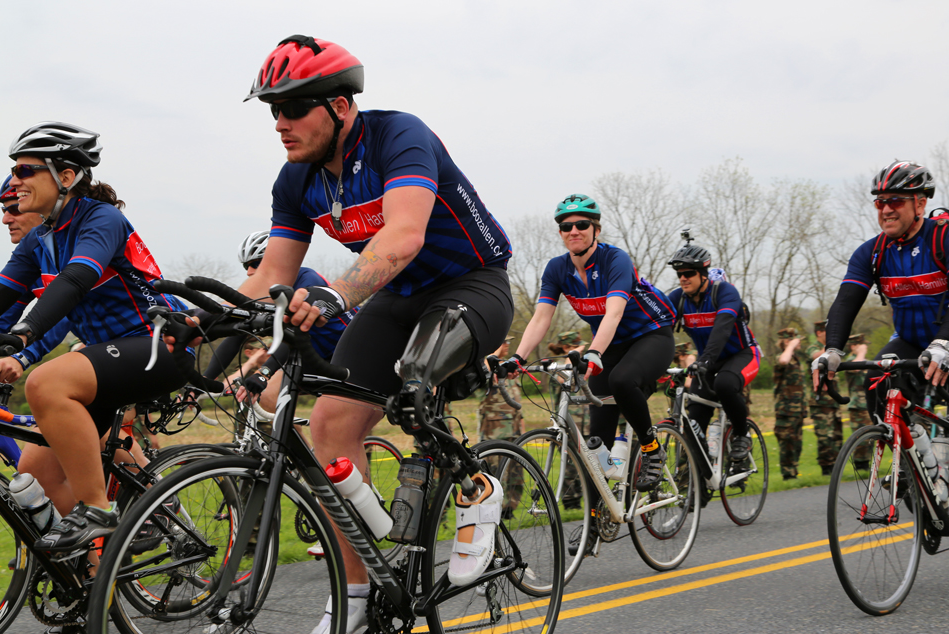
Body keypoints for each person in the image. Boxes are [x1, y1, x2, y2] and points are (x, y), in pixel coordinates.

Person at [169, 37, 513, 632]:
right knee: (329, 425)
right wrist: (196, 321)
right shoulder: (296, 179)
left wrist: (336, 295)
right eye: (272, 109)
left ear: (340, 106)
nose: (281, 122)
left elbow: (403, 235)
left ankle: (478, 488)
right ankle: (356, 594)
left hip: (471, 284)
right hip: (398, 299)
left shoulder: (399, 136)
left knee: (413, 383)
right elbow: (271, 274)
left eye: (294, 107)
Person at [0, 122, 189, 557]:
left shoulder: (101, 218)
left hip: (159, 344)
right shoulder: (39, 239)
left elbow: (76, 280)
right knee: (35, 472)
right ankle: (93, 582)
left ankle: (99, 509)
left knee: (46, 383)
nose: (15, 181)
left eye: (25, 170)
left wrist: (25, 337)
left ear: (65, 177)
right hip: (108, 357)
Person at [812, 160, 949, 564]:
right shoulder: (873, 252)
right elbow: (845, 302)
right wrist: (832, 351)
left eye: (895, 200)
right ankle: (916, 466)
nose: (885, 209)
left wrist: (945, 342)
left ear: (920, 203)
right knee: (877, 385)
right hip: (910, 340)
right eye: (879, 202)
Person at [506, 193, 676, 555]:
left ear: (595, 229)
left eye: (582, 224)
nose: (574, 231)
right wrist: (517, 358)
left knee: (621, 381)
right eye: (566, 226)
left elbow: (613, 313)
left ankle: (651, 448)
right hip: (611, 343)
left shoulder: (615, 260)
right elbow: (541, 317)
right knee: (595, 435)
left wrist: (594, 351)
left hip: (651, 333)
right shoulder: (557, 269)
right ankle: (598, 518)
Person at [200, 229, 358, 414]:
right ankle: (292, 444)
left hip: (346, 350)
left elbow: (295, 333)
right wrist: (203, 381)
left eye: (256, 264)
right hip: (311, 353)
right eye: (246, 267)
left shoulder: (307, 281)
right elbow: (236, 335)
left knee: (334, 415)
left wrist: (264, 373)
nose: (250, 272)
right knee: (266, 398)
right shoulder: (261, 294)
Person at [666, 239, 760, 470]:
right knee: (694, 416)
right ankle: (701, 471)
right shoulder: (677, 299)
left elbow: (722, 328)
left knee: (726, 385)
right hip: (708, 362)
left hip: (742, 355)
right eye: (679, 274)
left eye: (688, 273)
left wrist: (704, 360)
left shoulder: (725, 292)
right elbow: (659, 332)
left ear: (703, 274)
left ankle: (741, 435)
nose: (683, 278)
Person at [0, 176, 71, 383]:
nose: (6, 219)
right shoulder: (32, 257)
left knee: (46, 385)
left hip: (137, 336)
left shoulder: (72, 248)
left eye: (15, 209)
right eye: (4, 211)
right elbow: (3, 316)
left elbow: (62, 315)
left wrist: (22, 357)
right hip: (93, 341)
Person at [478, 336, 524, 515]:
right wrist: (493, 351)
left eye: (508, 342)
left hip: (514, 429)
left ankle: (510, 508)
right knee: (496, 472)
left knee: (516, 474)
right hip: (494, 432)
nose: (507, 345)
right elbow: (485, 377)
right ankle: (494, 508)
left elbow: (517, 402)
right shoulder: (486, 366)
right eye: (503, 341)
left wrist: (522, 427)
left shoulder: (508, 368)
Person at [547, 330, 588, 510]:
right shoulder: (559, 367)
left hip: (586, 423)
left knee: (587, 464)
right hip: (568, 424)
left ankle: (585, 501)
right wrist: (572, 358)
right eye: (575, 347)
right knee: (570, 466)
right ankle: (571, 502)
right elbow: (565, 381)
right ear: (566, 348)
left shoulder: (580, 366)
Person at [806, 319, 843, 475]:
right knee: (824, 437)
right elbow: (817, 355)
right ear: (819, 332)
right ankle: (826, 469)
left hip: (833, 400)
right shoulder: (814, 348)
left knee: (837, 435)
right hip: (821, 402)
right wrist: (832, 351)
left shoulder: (832, 349)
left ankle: (836, 469)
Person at [773, 328, 806, 480]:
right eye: (796, 339)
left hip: (797, 410)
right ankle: (788, 475)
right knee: (786, 443)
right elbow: (783, 361)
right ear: (787, 341)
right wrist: (790, 346)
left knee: (796, 443)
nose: (799, 342)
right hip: (785, 410)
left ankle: (794, 471)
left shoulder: (796, 359)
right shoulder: (781, 357)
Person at [844, 334, 870, 471]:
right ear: (853, 346)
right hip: (858, 406)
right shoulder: (850, 361)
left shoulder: (864, 360)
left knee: (870, 438)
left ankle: (866, 466)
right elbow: (856, 368)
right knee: (862, 439)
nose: (865, 347)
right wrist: (861, 352)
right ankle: (860, 467)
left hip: (868, 404)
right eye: (862, 344)